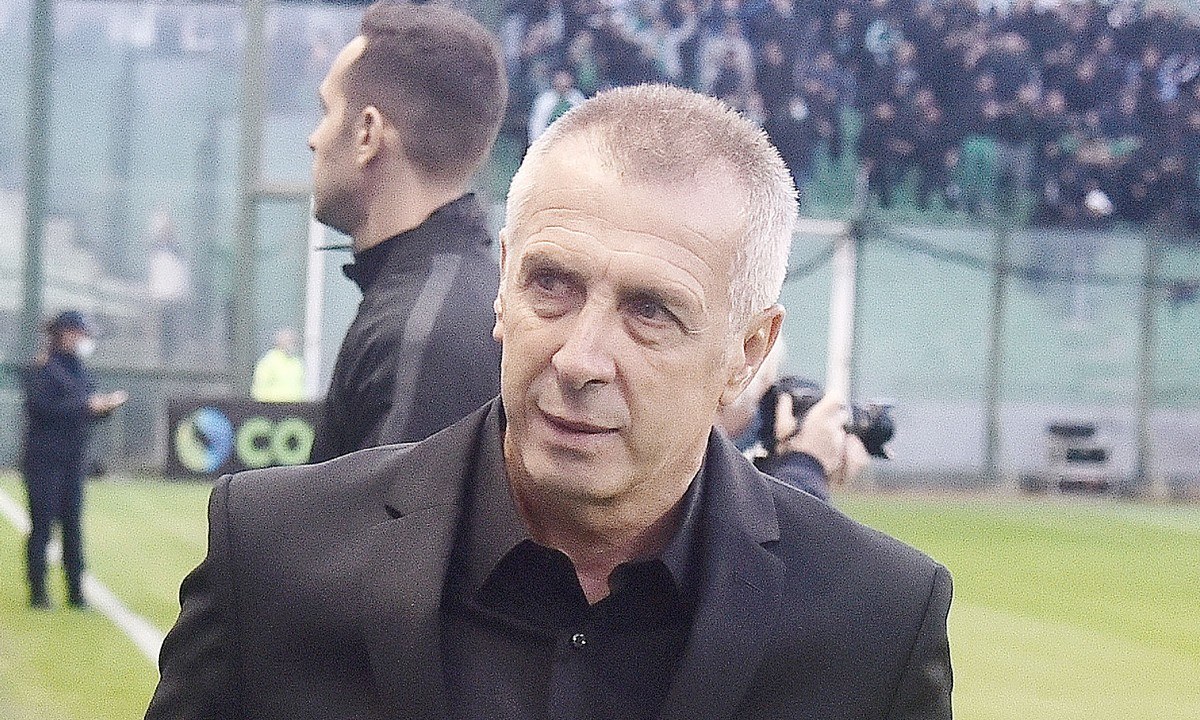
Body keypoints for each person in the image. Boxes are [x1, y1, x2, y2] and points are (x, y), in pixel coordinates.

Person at [147, 85, 952, 719]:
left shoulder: (877, 625)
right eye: (551, 284)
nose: (579, 359)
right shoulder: (272, 556)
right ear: (503, 286)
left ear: (746, 352)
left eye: (650, 310)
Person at [306, 1, 507, 462]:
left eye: (326, 110)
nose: (314, 138)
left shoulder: (422, 334)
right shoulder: (451, 293)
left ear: (367, 134)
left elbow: (387, 511)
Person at [20, 311, 127, 609]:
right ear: (65, 334)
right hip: (44, 460)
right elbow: (41, 409)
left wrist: (103, 407)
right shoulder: (43, 369)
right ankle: (38, 591)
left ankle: (75, 592)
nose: (84, 339)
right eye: (80, 333)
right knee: (42, 526)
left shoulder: (79, 370)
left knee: (72, 526)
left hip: (73, 460)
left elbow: (85, 409)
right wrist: (86, 406)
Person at [250, 328, 304, 403]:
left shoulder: (297, 362)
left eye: (294, 341)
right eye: (288, 341)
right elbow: (259, 389)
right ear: (279, 342)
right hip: (275, 406)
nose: (292, 344)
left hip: (296, 406)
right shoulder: (269, 361)